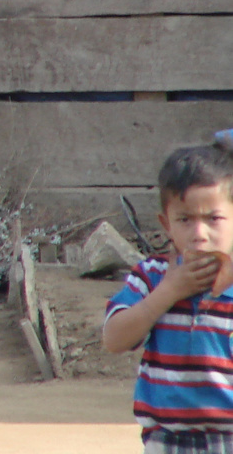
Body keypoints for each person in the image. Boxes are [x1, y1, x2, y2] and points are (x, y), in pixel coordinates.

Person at [104, 144, 233, 451]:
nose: (199, 233)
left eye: (214, 219)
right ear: (166, 224)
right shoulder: (150, 277)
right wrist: (169, 291)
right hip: (166, 439)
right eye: (185, 220)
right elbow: (114, 338)